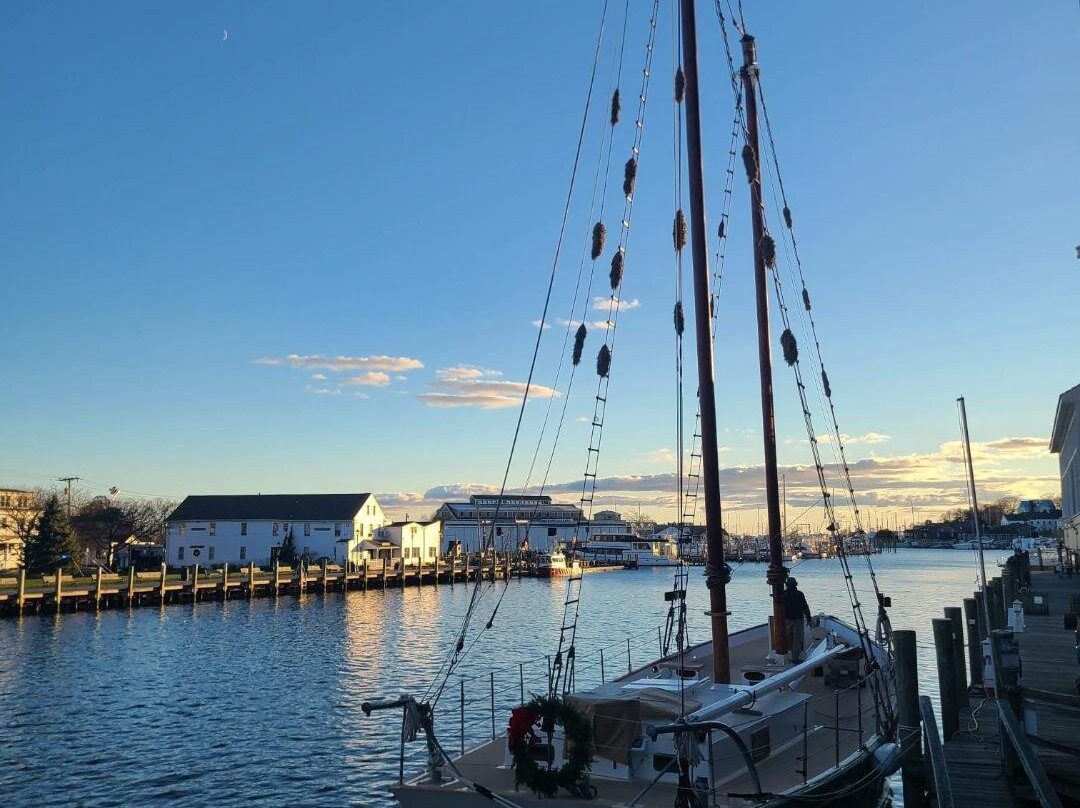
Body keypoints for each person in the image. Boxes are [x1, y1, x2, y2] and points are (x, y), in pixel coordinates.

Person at [784, 577, 813, 663]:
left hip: (786, 620)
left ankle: (783, 655)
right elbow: (805, 607)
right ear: (795, 585)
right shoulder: (800, 594)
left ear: (787, 585)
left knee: (785, 638)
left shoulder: (783, 594)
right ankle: (795, 658)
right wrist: (809, 618)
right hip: (798, 620)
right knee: (797, 640)